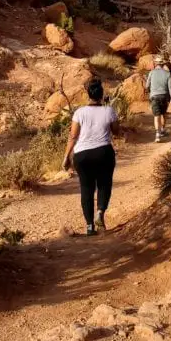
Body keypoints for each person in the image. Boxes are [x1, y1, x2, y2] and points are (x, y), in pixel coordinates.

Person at [62, 78, 119, 236]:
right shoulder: (109, 110)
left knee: (86, 189)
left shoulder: (79, 112)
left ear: (88, 95)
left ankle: (89, 226)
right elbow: (117, 131)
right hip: (103, 152)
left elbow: (73, 137)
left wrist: (66, 156)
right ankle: (100, 213)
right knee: (104, 184)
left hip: (82, 155)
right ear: (101, 95)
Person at [146, 56, 171, 143]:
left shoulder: (151, 73)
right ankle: (162, 129)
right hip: (164, 96)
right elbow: (170, 87)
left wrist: (150, 92)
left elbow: (147, 85)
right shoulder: (167, 74)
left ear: (155, 64)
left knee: (156, 116)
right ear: (162, 64)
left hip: (154, 96)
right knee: (163, 114)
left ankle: (157, 134)